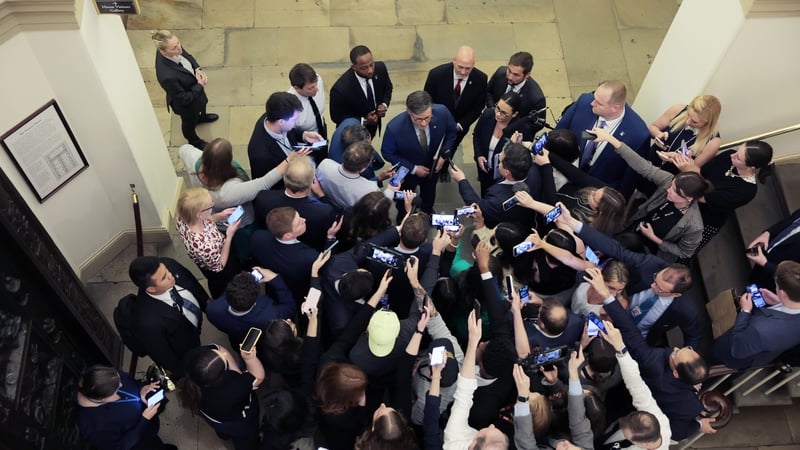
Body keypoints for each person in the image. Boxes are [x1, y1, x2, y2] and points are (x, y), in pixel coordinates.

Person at [585, 270, 712, 441]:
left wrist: (606, 295)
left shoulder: (653, 361)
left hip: (626, 395)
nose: (674, 348)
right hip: (637, 405)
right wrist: (699, 425)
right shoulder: (689, 406)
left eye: (676, 354)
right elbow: (678, 433)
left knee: (607, 416)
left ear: (676, 373)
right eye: (682, 349)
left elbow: (630, 330)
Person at [557, 207, 704, 351]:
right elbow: (616, 249)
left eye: (659, 289)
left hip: (636, 338)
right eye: (655, 280)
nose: (652, 286)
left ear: (676, 294)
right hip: (610, 313)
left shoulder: (686, 310)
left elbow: (694, 337)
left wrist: (684, 356)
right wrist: (572, 223)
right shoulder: (651, 264)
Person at [592, 127, 712, 262]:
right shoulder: (669, 181)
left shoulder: (694, 226)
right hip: (632, 231)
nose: (668, 190)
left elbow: (684, 253)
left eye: (675, 191)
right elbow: (643, 166)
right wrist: (611, 139)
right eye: (671, 186)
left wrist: (654, 238)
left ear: (689, 198)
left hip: (651, 253)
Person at [668, 140, 774, 260]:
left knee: (678, 253)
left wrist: (690, 171)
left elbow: (703, 198)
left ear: (751, 167)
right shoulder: (729, 156)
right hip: (688, 200)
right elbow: (703, 170)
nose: (732, 155)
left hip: (704, 218)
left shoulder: (746, 191)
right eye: (737, 151)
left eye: (738, 158)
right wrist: (688, 161)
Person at [179, 138, 311, 228]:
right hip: (238, 223)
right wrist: (289, 160)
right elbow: (264, 183)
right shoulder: (228, 193)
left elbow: (184, 149)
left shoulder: (194, 159)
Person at [555, 80, 650, 198]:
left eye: (599, 103)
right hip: (564, 172)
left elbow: (629, 179)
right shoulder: (584, 101)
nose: (592, 103)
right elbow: (559, 132)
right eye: (594, 97)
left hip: (596, 192)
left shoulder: (638, 135)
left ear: (615, 108)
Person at [128, 256, 209, 379]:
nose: (171, 275)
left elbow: (191, 282)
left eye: (166, 270)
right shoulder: (148, 323)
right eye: (164, 278)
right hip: (188, 345)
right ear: (151, 289)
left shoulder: (168, 265)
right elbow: (166, 357)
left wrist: (207, 303)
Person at [381, 90, 458, 216]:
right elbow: (387, 152)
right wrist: (414, 168)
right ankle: (404, 215)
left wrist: (443, 155)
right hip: (406, 173)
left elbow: (451, 132)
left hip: (432, 167)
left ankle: (427, 211)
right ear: (408, 111)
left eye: (427, 117)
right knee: (404, 198)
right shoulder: (394, 128)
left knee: (429, 193)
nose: (423, 123)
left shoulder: (442, 112)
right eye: (418, 119)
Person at [598, 323, 673, 450]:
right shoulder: (660, 421)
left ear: (646, 445)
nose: (624, 434)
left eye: (627, 436)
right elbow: (637, 385)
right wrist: (620, 347)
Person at [713, 261, 800, 369]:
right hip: (762, 347)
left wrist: (745, 311)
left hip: (732, 354)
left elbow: (738, 348)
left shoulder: (760, 330)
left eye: (776, 285)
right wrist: (778, 302)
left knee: (715, 355)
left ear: (783, 293)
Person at [180, 344, 265, 450]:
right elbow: (258, 376)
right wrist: (249, 359)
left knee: (223, 431)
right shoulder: (233, 389)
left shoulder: (191, 359)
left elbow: (216, 347)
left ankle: (224, 435)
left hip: (215, 418)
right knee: (246, 439)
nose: (223, 353)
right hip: (238, 423)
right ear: (220, 377)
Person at [253, 157, 341, 252]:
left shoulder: (262, 198)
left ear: (284, 177)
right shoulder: (324, 212)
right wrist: (322, 195)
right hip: (309, 252)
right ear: (312, 182)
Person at [75, 366, 174, 450]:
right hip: (138, 443)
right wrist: (144, 419)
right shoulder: (95, 427)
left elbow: (130, 381)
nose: (121, 384)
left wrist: (141, 388)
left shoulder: (101, 376)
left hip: (148, 430)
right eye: (117, 389)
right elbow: (121, 446)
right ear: (102, 399)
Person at [152, 30, 217, 149]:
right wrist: (200, 85)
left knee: (202, 103)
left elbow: (186, 54)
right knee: (189, 123)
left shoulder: (174, 47)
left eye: (178, 43)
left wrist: (197, 68)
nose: (179, 48)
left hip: (195, 89)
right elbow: (183, 99)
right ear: (164, 52)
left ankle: (201, 118)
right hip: (187, 105)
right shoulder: (167, 77)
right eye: (174, 48)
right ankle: (194, 141)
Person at [205, 268, 295, 350]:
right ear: (255, 302)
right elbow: (290, 308)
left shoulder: (211, 309)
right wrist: (276, 279)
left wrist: (244, 282)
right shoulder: (270, 316)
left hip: (237, 340)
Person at [176, 187, 241, 298]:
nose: (213, 205)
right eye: (210, 206)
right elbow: (220, 265)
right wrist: (229, 237)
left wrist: (219, 216)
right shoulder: (204, 246)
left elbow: (205, 220)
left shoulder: (183, 218)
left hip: (213, 252)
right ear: (199, 214)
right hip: (220, 266)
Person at [451, 142, 535, 228]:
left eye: (500, 162)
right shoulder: (531, 170)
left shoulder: (496, 202)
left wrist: (461, 180)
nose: (498, 163)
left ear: (507, 172)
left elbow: (477, 206)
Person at [247, 91, 324, 181]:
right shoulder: (260, 155)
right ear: (281, 122)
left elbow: (290, 130)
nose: (297, 122)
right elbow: (267, 186)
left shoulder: (274, 115)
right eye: (294, 119)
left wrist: (303, 135)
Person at [424, 45, 488, 149]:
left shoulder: (480, 79)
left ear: (473, 64)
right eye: (460, 67)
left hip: (458, 130)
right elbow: (427, 101)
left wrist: (461, 125)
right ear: (454, 61)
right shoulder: (436, 75)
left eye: (468, 68)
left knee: (448, 153)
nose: (463, 72)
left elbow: (478, 107)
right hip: (435, 125)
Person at [472, 91, 533, 195]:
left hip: (504, 176)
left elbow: (522, 158)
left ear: (514, 114)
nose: (498, 114)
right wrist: (479, 155)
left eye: (504, 113)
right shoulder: (487, 114)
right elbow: (477, 136)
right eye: (497, 108)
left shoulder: (522, 129)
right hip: (484, 168)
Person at [330, 45, 394, 137]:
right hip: (352, 134)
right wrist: (364, 120)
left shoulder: (380, 69)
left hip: (373, 128)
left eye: (371, 64)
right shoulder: (341, 89)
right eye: (364, 68)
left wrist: (384, 104)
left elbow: (387, 88)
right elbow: (336, 117)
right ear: (354, 67)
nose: (370, 70)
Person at [648, 95, 722, 171]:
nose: (687, 122)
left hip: (670, 175)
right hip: (648, 161)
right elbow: (653, 127)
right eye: (688, 114)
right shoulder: (678, 109)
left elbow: (693, 171)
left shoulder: (713, 142)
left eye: (694, 122)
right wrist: (658, 134)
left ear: (708, 123)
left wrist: (678, 160)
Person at [315, 140, 394, 211]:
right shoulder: (371, 190)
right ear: (363, 169)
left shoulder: (325, 164)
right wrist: (391, 189)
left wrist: (379, 178)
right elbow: (380, 207)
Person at [485, 51, 547, 130]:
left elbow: (538, 124)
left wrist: (513, 126)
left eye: (516, 75)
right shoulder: (500, 73)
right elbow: (488, 92)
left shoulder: (536, 98)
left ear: (527, 75)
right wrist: (493, 109)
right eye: (509, 71)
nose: (510, 77)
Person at [748, 207, 800, 288]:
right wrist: (768, 233)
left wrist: (766, 264)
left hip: (776, 283)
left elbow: (796, 279)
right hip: (765, 257)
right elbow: (789, 221)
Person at [287, 62, 327, 138]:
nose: (317, 89)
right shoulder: (289, 104)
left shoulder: (317, 79)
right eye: (311, 88)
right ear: (296, 88)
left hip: (321, 126)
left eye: (316, 85)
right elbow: (288, 131)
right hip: (306, 138)